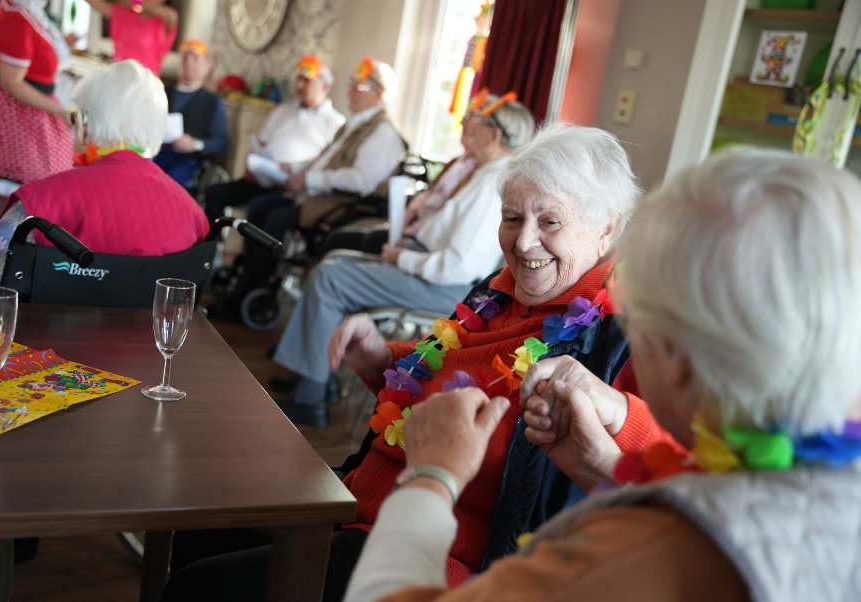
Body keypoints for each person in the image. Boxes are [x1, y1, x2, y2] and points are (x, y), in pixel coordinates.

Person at [162, 124, 679, 602]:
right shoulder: (497, 293)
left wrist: (615, 408)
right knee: (195, 523)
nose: (523, 242)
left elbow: (683, 468)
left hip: (443, 555)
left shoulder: (625, 334)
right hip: (360, 500)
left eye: (550, 222)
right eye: (512, 218)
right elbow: (444, 367)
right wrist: (380, 358)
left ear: (607, 227)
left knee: (199, 589)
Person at [343, 147, 861, 602]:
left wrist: (433, 475)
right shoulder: (833, 489)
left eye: (643, 317)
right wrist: (605, 470)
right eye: (512, 218)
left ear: (676, 358)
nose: (525, 242)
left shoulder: (648, 549)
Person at [273, 94, 535, 428]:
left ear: (494, 134)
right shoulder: (484, 173)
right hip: (430, 271)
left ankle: (311, 396)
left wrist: (402, 257)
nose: (467, 126)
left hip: (446, 286)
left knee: (331, 276)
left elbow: (458, 267)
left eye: (476, 122)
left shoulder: (492, 184)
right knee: (336, 260)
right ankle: (319, 378)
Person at [0, 59, 210, 295]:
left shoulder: (42, 201)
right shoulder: (195, 216)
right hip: (150, 329)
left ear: (85, 123)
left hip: (48, 329)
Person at [218, 56, 407, 316]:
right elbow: (323, 160)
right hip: (319, 196)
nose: (349, 92)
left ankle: (253, 292)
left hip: (344, 204)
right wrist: (293, 168)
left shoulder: (383, 132)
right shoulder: (356, 124)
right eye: (351, 85)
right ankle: (245, 282)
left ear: (380, 93)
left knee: (275, 219)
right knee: (260, 206)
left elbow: (361, 181)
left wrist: (308, 180)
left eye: (359, 87)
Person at [202, 54, 345, 223]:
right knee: (214, 193)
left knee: (261, 208)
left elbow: (327, 161)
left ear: (325, 86)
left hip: (292, 187)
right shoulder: (282, 110)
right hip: (261, 179)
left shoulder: (335, 122)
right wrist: (251, 163)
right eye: (298, 79)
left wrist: (292, 167)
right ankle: (214, 239)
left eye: (307, 81)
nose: (299, 85)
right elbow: (260, 144)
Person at [0, 0, 73, 203]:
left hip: (29, 109)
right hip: (16, 113)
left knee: (27, 191)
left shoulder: (27, 12)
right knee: (29, 188)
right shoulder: (17, 16)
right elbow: (11, 82)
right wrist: (60, 112)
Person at [152, 39, 230, 189]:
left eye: (195, 59)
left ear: (206, 66)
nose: (189, 63)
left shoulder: (213, 102)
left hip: (188, 161)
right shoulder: (159, 92)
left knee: (169, 184)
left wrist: (196, 144)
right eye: (184, 58)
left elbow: (223, 143)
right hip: (157, 153)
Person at [84, 0, 178, 76]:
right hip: (118, 76)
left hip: (146, 82)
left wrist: (134, 3)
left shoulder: (168, 17)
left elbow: (127, 2)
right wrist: (135, 4)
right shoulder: (124, 14)